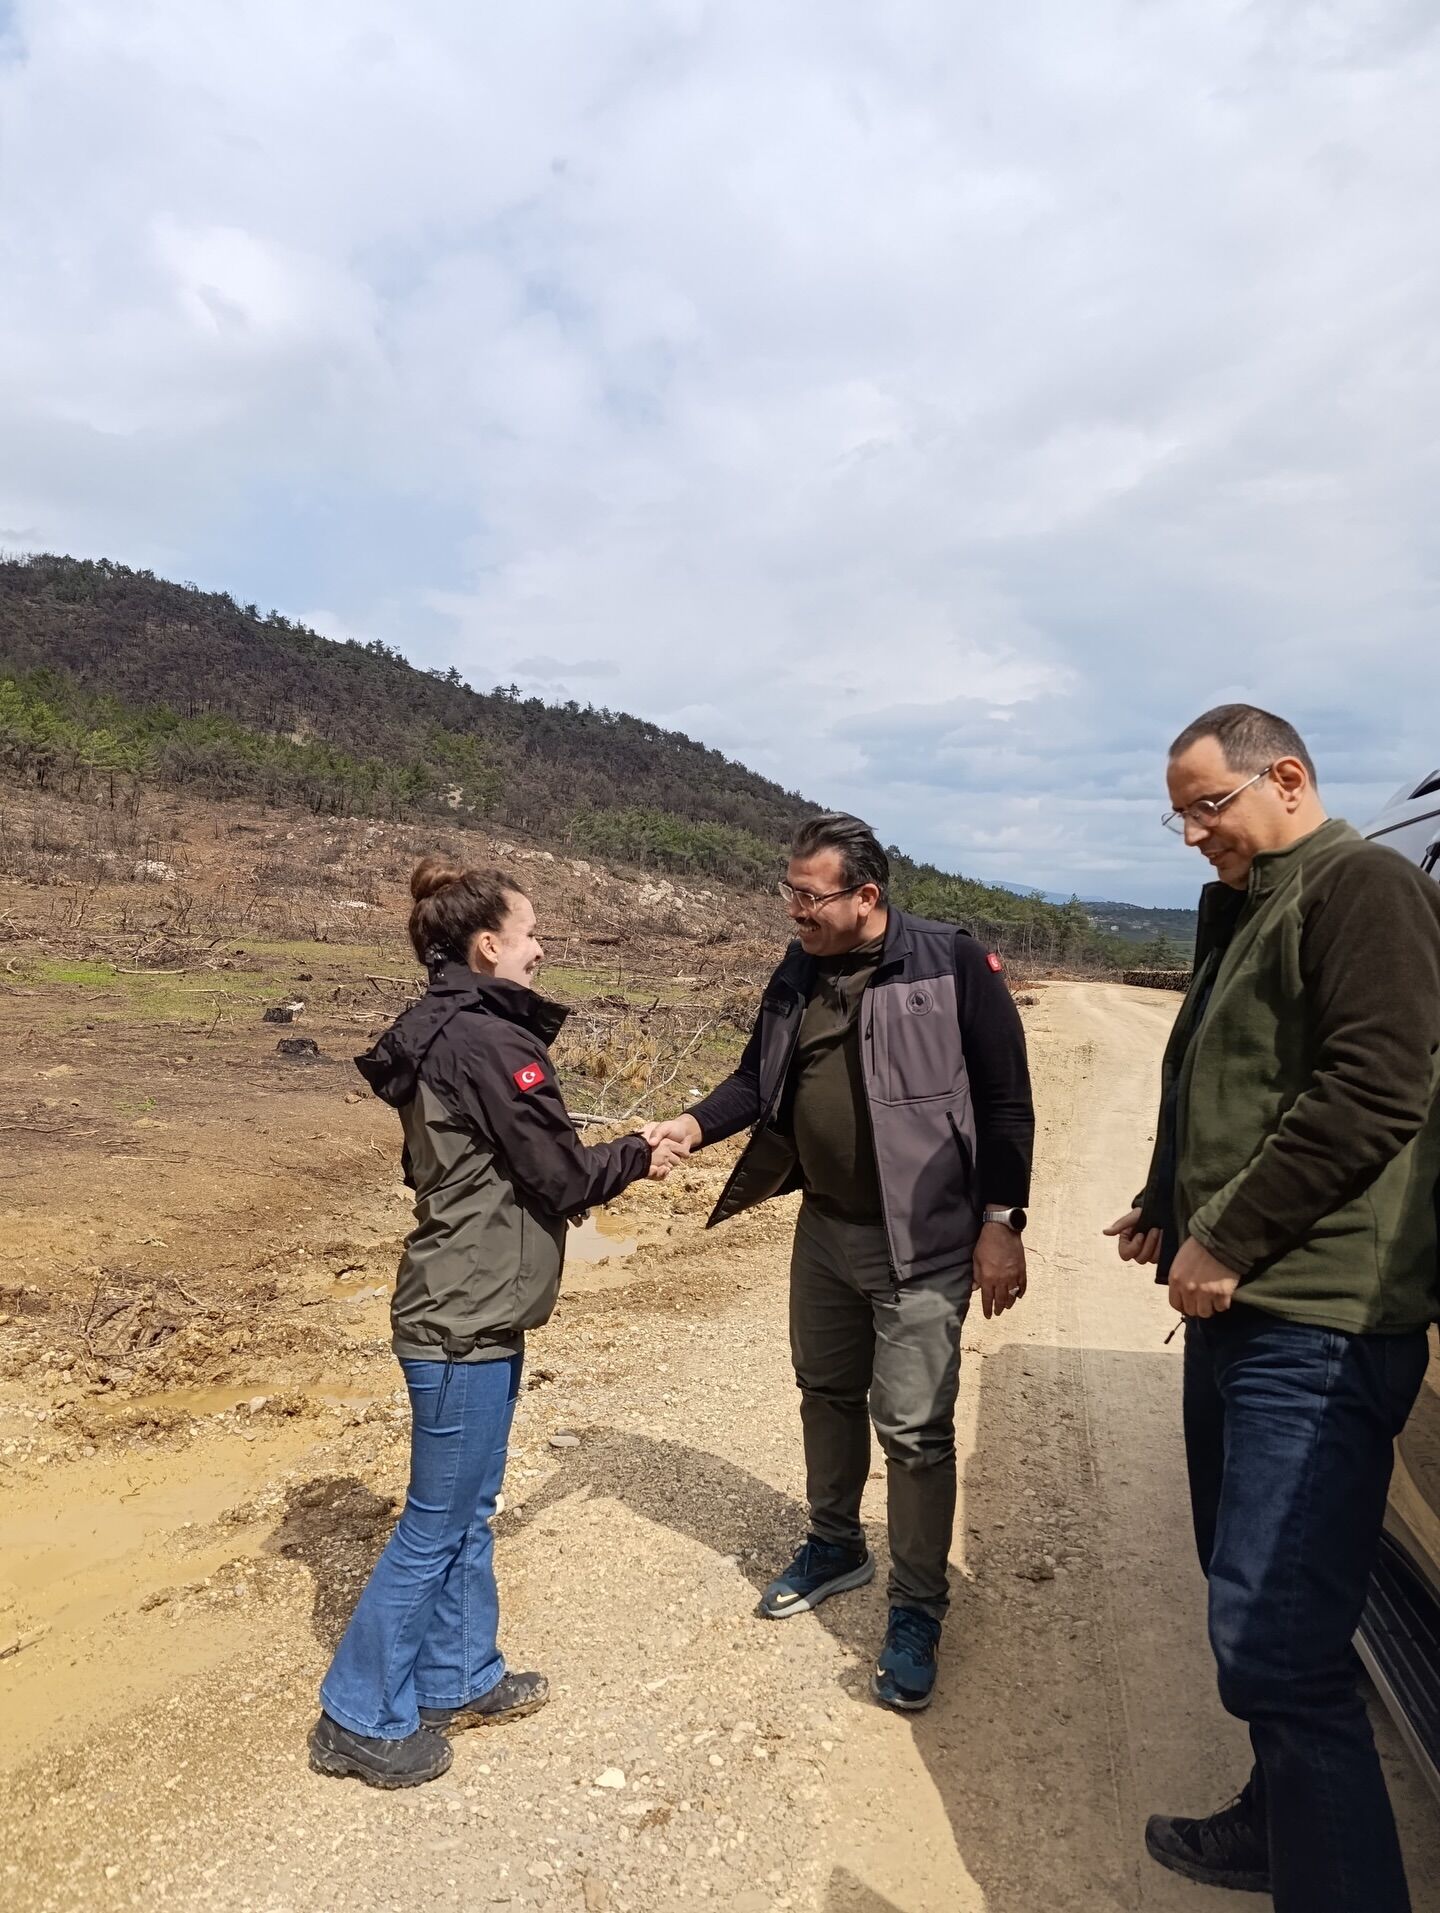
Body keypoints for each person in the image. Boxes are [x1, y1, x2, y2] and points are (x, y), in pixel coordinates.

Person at [1106, 705, 1440, 1911]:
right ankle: (1276, 1821)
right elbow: (1220, 1074)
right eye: (1181, 816)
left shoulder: (1364, 887)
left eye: (1207, 806)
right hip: (1246, 1317)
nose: (1195, 833)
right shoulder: (1252, 904)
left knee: (1279, 1648)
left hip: (1318, 1322)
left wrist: (1231, 1233)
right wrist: (1166, 1201)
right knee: (1257, 1602)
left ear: (1285, 776)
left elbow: (1374, 1088)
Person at [308, 857, 685, 1788]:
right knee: (435, 1524)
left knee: (469, 1509)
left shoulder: (442, 1030)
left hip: (474, 1305)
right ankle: (356, 1714)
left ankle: (459, 1675)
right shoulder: (485, 1040)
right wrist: (640, 1152)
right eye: (530, 933)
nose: (541, 948)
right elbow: (560, 1176)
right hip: (460, 1318)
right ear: (488, 945)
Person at [645, 813, 1034, 1712]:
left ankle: (918, 1608)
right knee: (823, 1390)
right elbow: (758, 1078)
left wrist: (1002, 1221)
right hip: (824, 1227)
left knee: (914, 1430)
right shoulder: (799, 967)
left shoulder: (950, 962)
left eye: (809, 896)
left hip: (925, 1239)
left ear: (866, 895)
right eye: (788, 892)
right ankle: (835, 1543)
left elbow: (1007, 1102)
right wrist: (693, 1125)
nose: (795, 910)